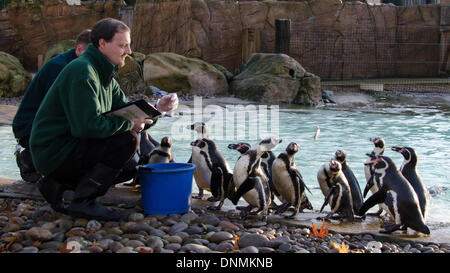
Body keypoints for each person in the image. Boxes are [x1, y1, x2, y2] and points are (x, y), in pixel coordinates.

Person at [29, 18, 178, 221]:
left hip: (69, 147)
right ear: (102, 43)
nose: (129, 51)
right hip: (54, 152)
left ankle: (56, 185)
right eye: (122, 45)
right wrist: (129, 124)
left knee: (130, 165)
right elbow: (87, 128)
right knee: (127, 141)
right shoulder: (83, 72)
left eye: (128, 45)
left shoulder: (104, 74)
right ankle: (83, 202)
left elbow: (127, 113)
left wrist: (158, 109)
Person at [12, 29, 92, 183]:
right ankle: (30, 159)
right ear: (80, 50)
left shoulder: (79, 65)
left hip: (42, 125)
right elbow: (61, 111)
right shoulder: (60, 67)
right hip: (29, 129)